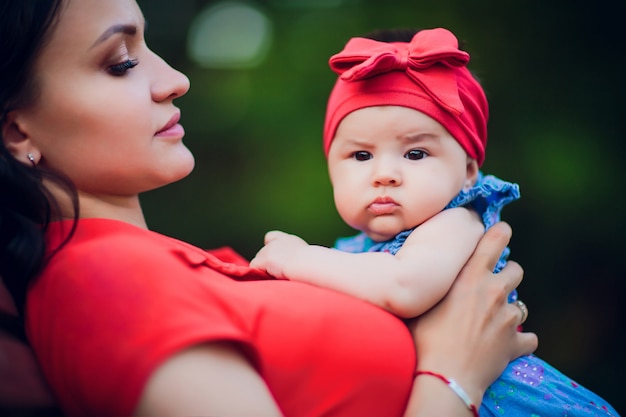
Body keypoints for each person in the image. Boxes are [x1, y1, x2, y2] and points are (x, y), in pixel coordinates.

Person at [0, 1, 539, 416]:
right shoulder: (103, 281)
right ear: (16, 128)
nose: (173, 80)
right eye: (120, 63)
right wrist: (453, 374)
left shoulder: (163, 267)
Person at [251, 28, 620, 416]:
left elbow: (405, 286)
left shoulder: (457, 222)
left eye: (415, 153)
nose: (385, 174)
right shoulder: (350, 254)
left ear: (468, 172)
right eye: (361, 156)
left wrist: (298, 259)